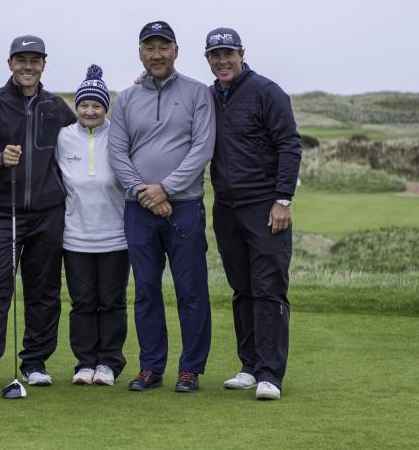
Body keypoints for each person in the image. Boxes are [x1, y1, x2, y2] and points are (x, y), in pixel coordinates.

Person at [0, 35, 76, 394]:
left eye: (34, 60)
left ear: (43, 63)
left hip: (48, 213)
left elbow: (88, 136)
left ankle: (35, 362)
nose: (28, 66)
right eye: (21, 59)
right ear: (10, 64)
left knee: (43, 290)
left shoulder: (57, 109)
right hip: (3, 210)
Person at [109, 21, 215, 393]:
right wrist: (143, 192)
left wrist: (165, 189)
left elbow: (202, 147)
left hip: (183, 207)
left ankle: (190, 369)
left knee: (191, 290)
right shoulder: (125, 98)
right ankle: (151, 367)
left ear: (175, 51)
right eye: (149, 48)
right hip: (138, 209)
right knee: (147, 290)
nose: (157, 54)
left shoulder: (198, 93)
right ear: (140, 53)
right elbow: (117, 152)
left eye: (163, 47)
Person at [203, 27, 301, 400]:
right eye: (215, 55)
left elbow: (290, 145)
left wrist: (283, 199)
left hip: (265, 206)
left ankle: (270, 375)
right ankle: (249, 365)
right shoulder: (210, 96)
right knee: (242, 288)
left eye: (229, 54)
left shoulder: (266, 92)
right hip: (226, 207)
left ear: (241, 55)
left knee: (269, 288)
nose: (223, 61)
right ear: (208, 60)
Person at [56, 65, 130, 386]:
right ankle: (85, 363)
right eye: (84, 105)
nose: (89, 111)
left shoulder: (118, 134)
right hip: (75, 238)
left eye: (96, 105)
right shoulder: (64, 137)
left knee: (112, 302)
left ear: (105, 108)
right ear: (76, 107)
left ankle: (109, 363)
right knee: (82, 302)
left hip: (115, 238)